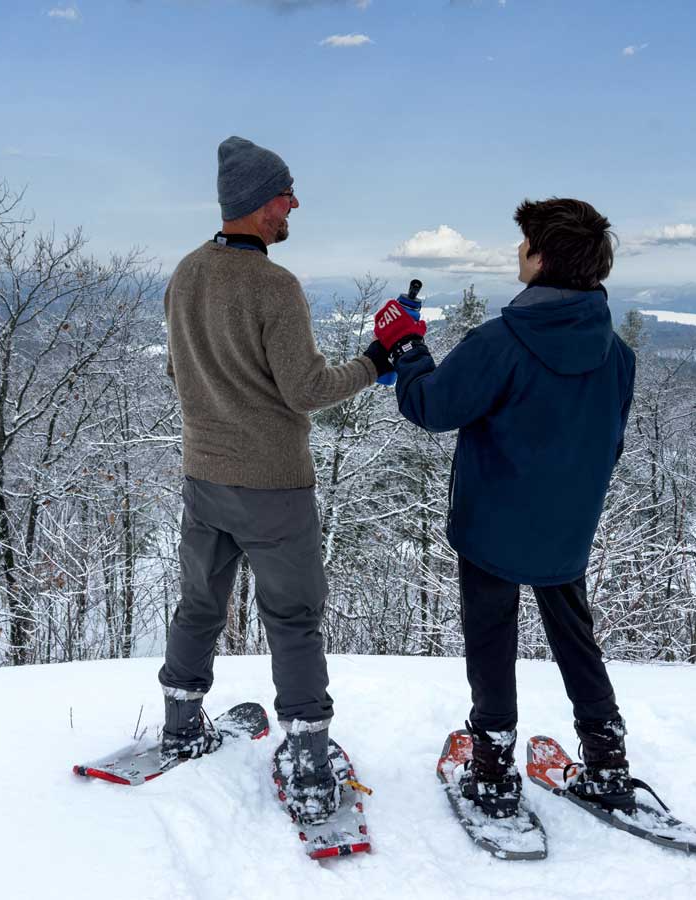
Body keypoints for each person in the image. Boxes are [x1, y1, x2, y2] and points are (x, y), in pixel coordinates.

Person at [372, 197, 637, 819]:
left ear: (542, 258)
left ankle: (492, 771)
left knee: (491, 636)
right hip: (568, 524)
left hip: (492, 520)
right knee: (575, 635)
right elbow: (612, 442)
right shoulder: (618, 354)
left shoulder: (501, 341)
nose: (517, 253)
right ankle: (607, 760)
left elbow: (432, 408)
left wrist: (407, 350)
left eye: (524, 245)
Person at [158, 136, 396, 824]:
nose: (295, 203)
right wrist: (376, 360)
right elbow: (305, 389)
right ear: (264, 206)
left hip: (205, 475)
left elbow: (180, 372)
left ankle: (179, 722)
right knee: (292, 618)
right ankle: (311, 758)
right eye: (288, 193)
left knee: (199, 603)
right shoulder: (273, 285)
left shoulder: (185, 273)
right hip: (273, 486)